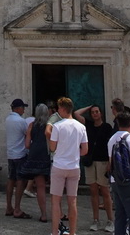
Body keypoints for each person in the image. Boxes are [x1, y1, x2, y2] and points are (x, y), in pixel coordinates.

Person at [49, 96, 89, 235]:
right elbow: (84, 150)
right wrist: (73, 152)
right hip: (74, 167)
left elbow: (52, 148)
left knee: (56, 201)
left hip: (59, 165)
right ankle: (72, 233)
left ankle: (55, 232)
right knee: (72, 201)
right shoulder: (81, 127)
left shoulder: (57, 126)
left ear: (63, 109)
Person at [76, 104, 116, 231]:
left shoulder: (107, 127)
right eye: (93, 112)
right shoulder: (88, 125)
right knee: (93, 191)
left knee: (105, 192)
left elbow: (111, 146)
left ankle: (110, 220)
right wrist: (89, 107)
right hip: (90, 162)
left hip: (103, 162)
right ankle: (96, 220)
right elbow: (76, 114)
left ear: (101, 113)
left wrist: (110, 162)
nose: (95, 114)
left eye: (97, 111)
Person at [22, 102, 53, 223]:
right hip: (46, 155)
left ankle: (44, 214)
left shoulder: (31, 125)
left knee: (40, 186)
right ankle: (58, 213)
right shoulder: (50, 126)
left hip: (34, 156)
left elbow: (27, 144)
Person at [5, 97, 30, 219]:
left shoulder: (8, 119)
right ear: (18, 108)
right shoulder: (21, 121)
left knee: (11, 180)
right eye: (23, 108)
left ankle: (8, 207)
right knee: (20, 181)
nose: (24, 110)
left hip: (10, 154)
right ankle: (17, 209)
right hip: (20, 154)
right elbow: (27, 134)